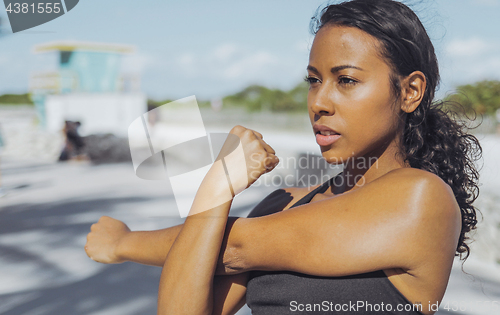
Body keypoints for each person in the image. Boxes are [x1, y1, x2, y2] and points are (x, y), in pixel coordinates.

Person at [85, 0, 482, 314]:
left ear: (410, 91)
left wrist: (124, 243)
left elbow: (234, 246)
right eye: (314, 80)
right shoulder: (285, 203)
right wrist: (217, 185)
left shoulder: (420, 198)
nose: (319, 102)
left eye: (346, 80)